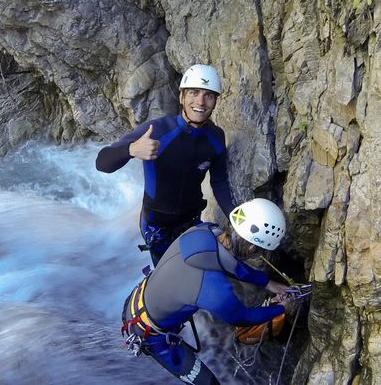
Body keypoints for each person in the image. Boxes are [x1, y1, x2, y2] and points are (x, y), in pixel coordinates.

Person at [121, 198, 294, 384]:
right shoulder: (216, 291)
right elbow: (244, 318)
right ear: (252, 248)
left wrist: (267, 282)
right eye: (260, 252)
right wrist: (282, 308)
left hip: (138, 298)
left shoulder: (204, 230)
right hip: (147, 334)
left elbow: (230, 264)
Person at [96, 64, 236, 265]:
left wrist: (235, 217)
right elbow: (103, 162)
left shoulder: (216, 138)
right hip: (157, 225)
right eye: (194, 93)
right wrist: (131, 150)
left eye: (208, 95)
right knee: (167, 272)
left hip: (191, 219)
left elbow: (220, 181)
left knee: (197, 268)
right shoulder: (158, 130)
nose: (200, 102)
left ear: (215, 102)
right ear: (181, 97)